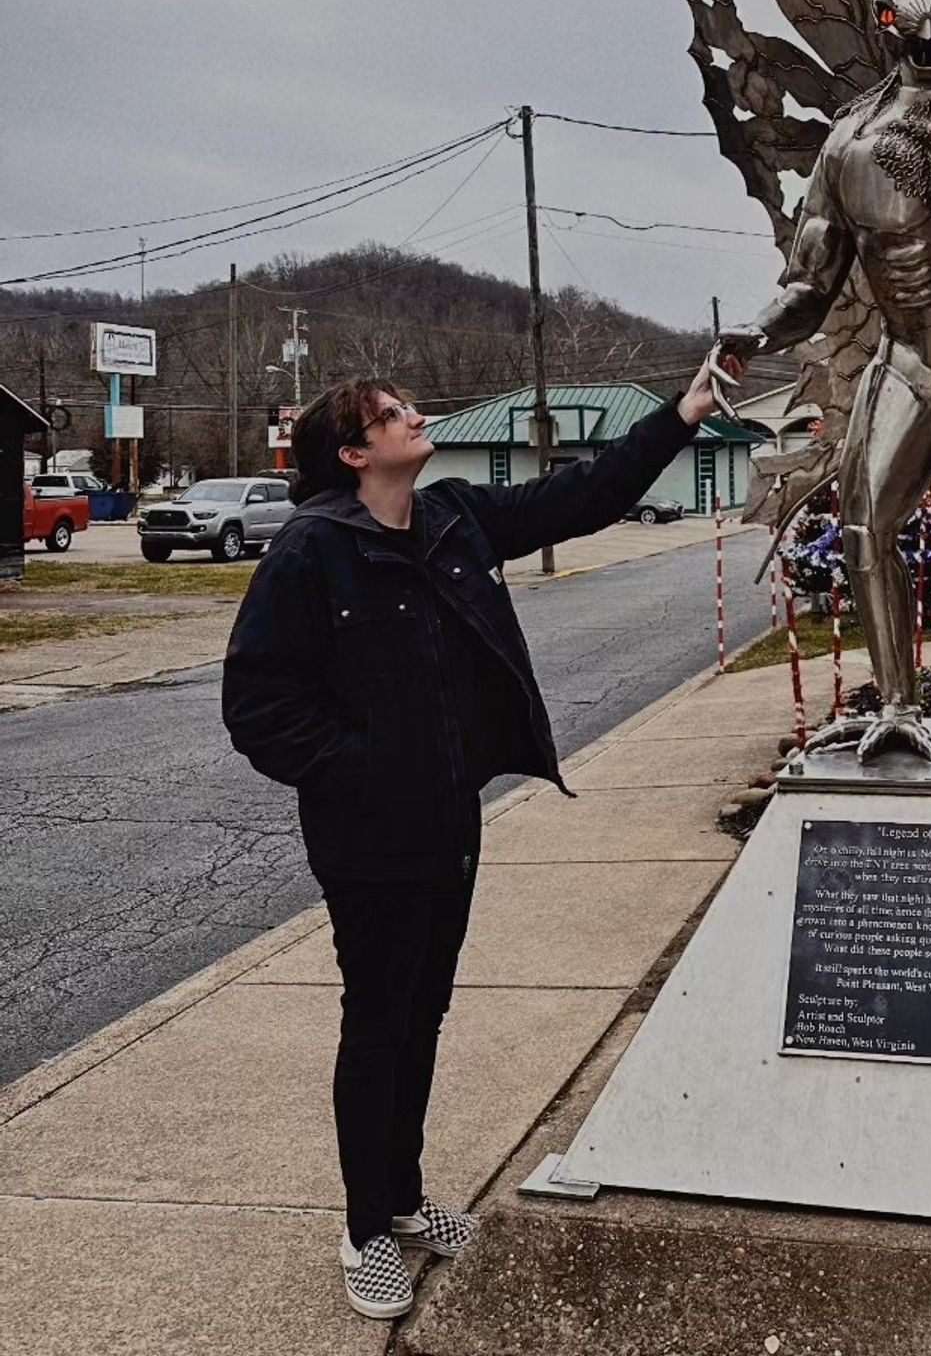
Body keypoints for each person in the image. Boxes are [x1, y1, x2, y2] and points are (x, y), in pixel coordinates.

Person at [221, 356, 741, 1320]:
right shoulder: (310, 551)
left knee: (422, 1014)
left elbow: (581, 497)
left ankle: (406, 1199)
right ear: (353, 451)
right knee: (378, 1021)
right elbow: (257, 705)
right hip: (367, 834)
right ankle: (366, 1228)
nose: (416, 416)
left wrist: (683, 414)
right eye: (394, 414)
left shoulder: (453, 516)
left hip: (450, 820)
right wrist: (363, 770)